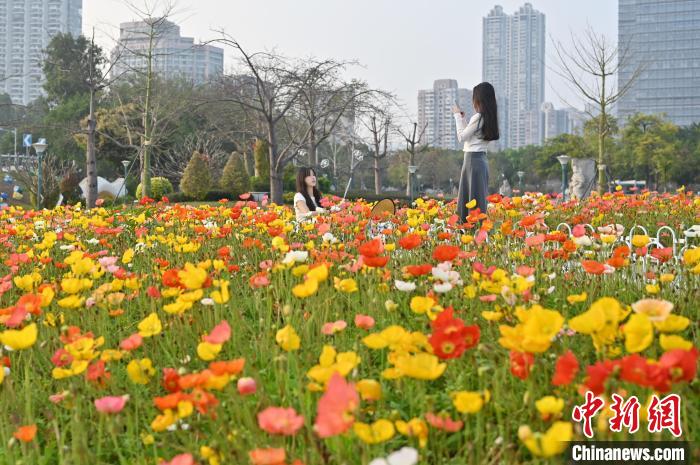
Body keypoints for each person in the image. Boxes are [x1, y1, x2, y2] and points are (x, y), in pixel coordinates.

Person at [452, 82, 500, 223]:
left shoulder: (478, 117)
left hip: (472, 160)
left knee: (469, 197)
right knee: (478, 197)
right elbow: (472, 136)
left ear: (478, 99)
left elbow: (462, 137)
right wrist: (464, 119)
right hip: (481, 161)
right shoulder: (487, 118)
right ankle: (477, 230)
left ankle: (468, 230)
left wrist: (456, 116)